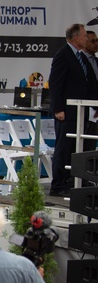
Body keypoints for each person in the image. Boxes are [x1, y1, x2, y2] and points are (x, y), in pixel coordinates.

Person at [48, 23, 98, 196]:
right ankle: (58, 185)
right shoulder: (63, 55)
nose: (86, 38)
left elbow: (89, 83)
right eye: (84, 36)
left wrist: (95, 105)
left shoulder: (81, 57)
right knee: (63, 147)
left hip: (81, 111)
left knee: (76, 148)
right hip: (66, 113)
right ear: (76, 38)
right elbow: (55, 83)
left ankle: (71, 181)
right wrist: (58, 109)